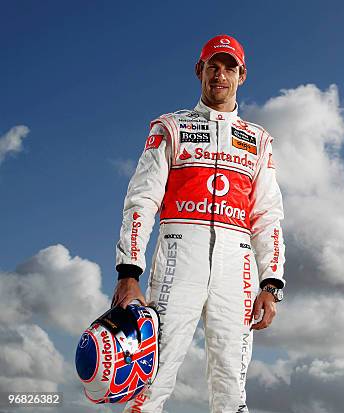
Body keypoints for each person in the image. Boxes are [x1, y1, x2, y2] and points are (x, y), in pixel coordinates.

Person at [111, 34, 285, 413]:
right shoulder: (169, 127)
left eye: (230, 68)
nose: (220, 75)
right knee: (151, 377)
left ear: (242, 75)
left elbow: (267, 214)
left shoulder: (259, 140)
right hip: (178, 254)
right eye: (213, 66)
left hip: (236, 263)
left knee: (231, 385)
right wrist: (129, 273)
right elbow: (141, 200)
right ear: (199, 71)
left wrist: (271, 283)